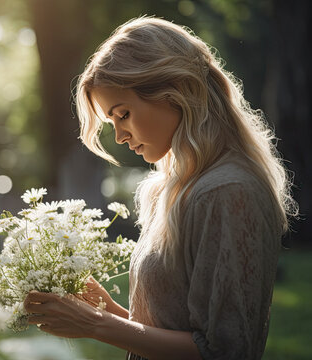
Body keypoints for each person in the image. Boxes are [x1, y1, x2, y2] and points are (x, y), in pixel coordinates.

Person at [23, 16, 297, 359]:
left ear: (174, 92)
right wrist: (108, 313)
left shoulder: (227, 191)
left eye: (123, 114)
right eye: (112, 122)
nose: (120, 137)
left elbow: (224, 352)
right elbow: (171, 336)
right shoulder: (169, 190)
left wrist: (95, 324)